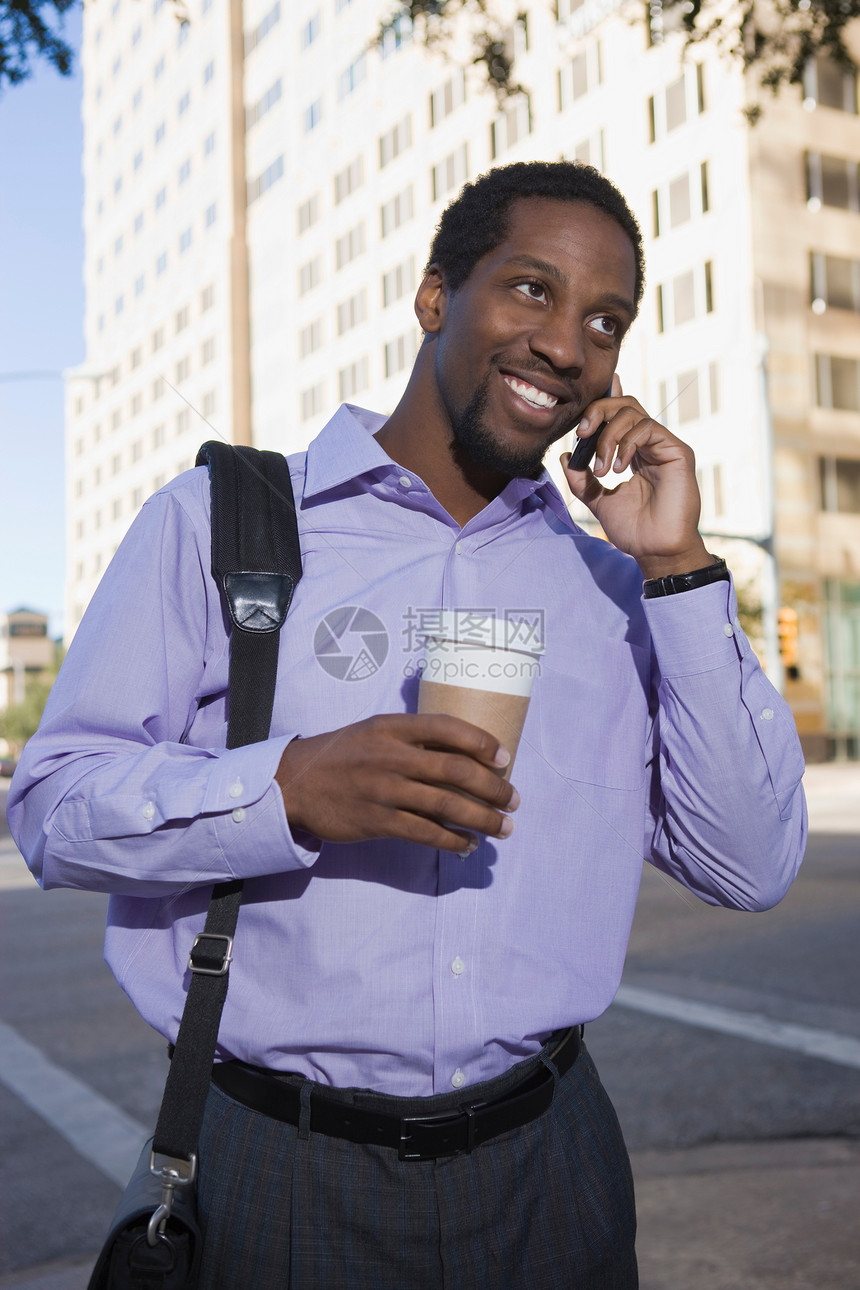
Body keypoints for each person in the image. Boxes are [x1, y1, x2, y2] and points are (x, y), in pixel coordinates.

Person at [9, 161, 806, 1289]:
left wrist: (676, 567)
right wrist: (281, 791)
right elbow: (51, 809)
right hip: (277, 1164)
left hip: (553, 1164)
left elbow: (749, 862)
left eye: (603, 319)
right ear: (435, 295)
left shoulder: (616, 591)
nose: (566, 343)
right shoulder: (223, 523)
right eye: (528, 289)